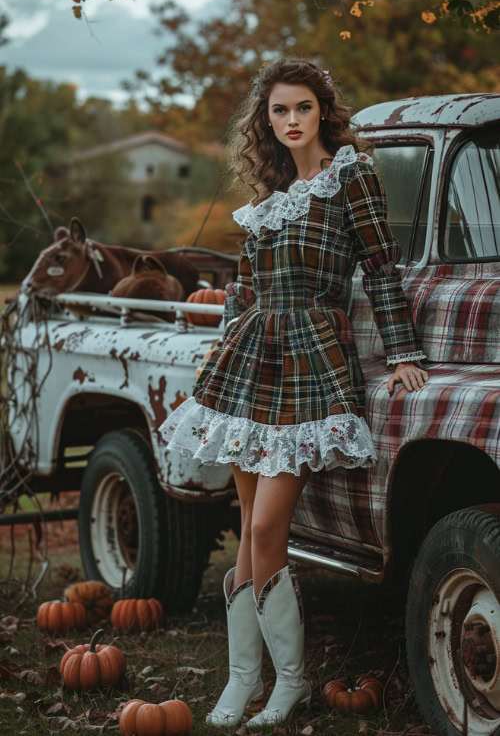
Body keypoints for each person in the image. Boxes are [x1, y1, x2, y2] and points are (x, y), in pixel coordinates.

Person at [157, 56, 429, 729]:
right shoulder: (267, 199)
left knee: (270, 524)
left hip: (311, 356)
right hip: (252, 360)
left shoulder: (350, 178)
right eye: (279, 111)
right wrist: (222, 356)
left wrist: (403, 354)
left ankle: (292, 682)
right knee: (249, 536)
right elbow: (244, 292)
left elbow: (380, 267)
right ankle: (242, 680)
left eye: (302, 108)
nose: (291, 122)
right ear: (266, 120)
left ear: (322, 111)